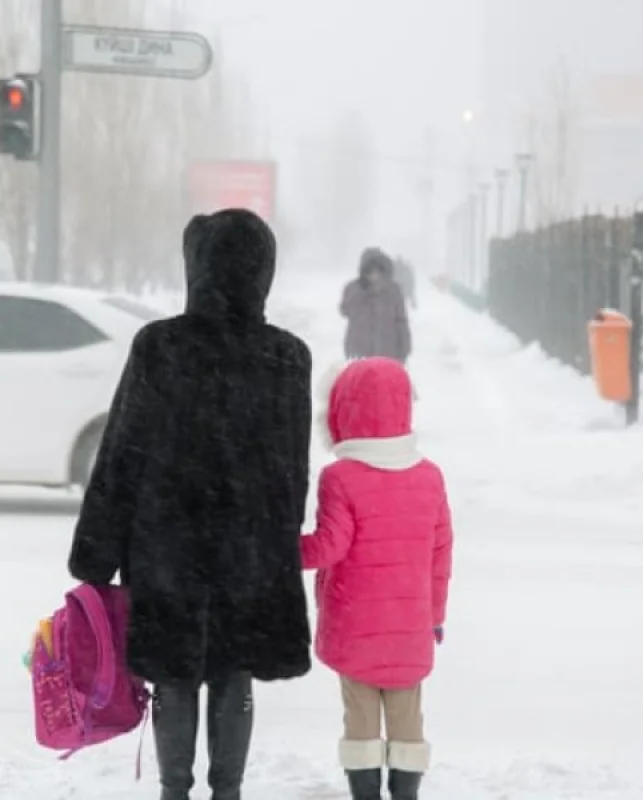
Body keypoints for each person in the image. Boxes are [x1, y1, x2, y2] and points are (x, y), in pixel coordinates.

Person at [68, 208, 315, 800]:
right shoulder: (288, 358)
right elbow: (293, 470)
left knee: (174, 676)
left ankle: (173, 793)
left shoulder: (160, 347)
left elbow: (119, 456)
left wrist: (96, 554)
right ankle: (227, 793)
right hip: (250, 551)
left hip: (165, 550)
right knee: (235, 674)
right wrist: (277, 537)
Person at [299, 357, 453, 800]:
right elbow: (440, 553)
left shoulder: (340, 477)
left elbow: (330, 547)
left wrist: (282, 550)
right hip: (410, 626)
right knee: (407, 714)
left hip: (354, 625)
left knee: (361, 715)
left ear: (341, 412)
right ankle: (406, 793)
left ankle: (364, 793)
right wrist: (434, 615)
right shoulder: (429, 476)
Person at [341, 248, 412, 363]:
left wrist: (404, 349)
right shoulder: (353, 288)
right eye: (370, 271)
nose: (374, 275)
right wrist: (362, 293)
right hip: (359, 352)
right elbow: (344, 310)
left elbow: (401, 321)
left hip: (388, 353)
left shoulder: (393, 290)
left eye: (379, 270)